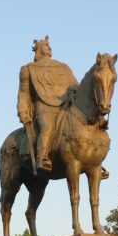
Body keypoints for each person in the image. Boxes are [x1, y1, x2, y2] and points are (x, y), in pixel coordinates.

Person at [17, 36, 77, 172]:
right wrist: (23, 112)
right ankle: (42, 157)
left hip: (64, 106)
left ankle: (92, 159)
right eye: (45, 45)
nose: (49, 47)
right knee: (48, 127)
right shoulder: (28, 69)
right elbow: (23, 93)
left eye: (49, 45)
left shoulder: (64, 67)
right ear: (38, 50)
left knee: (80, 127)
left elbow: (76, 87)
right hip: (43, 107)